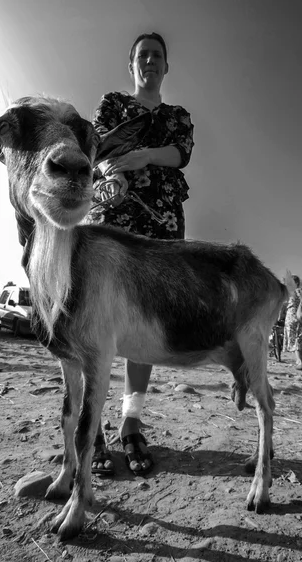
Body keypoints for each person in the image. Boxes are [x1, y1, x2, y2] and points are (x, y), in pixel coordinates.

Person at [86, 32, 194, 475]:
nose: (150, 60)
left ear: (166, 67)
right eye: (142, 55)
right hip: (113, 214)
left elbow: (180, 154)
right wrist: (116, 166)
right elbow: (98, 147)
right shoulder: (113, 103)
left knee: (145, 322)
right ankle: (90, 426)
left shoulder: (178, 115)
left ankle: (131, 422)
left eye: (157, 55)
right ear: (131, 64)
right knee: (97, 316)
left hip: (163, 223)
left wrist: (141, 156)